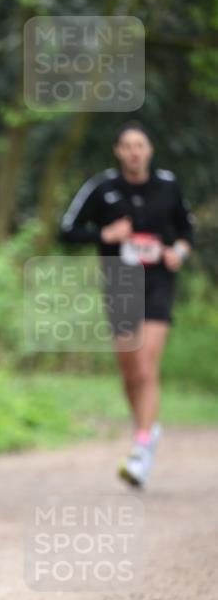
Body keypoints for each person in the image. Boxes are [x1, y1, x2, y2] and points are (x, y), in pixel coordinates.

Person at [59, 121, 194, 488]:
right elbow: (67, 230)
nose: (135, 152)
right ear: (118, 151)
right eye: (128, 146)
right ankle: (146, 430)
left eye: (141, 146)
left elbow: (187, 229)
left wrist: (178, 252)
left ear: (149, 150)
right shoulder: (103, 188)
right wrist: (105, 234)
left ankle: (141, 445)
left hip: (159, 284)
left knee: (147, 364)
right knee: (131, 367)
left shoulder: (167, 185)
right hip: (120, 284)